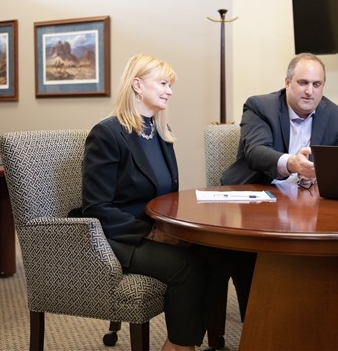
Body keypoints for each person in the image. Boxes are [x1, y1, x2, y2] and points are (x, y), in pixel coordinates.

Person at [80, 54, 232, 351]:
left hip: (156, 229)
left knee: (219, 255)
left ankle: (182, 342)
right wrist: (153, 234)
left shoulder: (159, 132)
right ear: (137, 85)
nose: (169, 91)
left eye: (169, 84)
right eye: (163, 83)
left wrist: (177, 229)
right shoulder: (107, 134)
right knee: (185, 266)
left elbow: (166, 196)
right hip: (121, 237)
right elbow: (96, 208)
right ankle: (179, 346)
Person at [221, 52, 338, 320]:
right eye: (303, 82)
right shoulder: (260, 106)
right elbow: (256, 152)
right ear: (287, 83)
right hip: (255, 197)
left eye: (317, 84)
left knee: (335, 247)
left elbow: (334, 167)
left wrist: (314, 176)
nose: (309, 91)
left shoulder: (336, 115)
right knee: (251, 252)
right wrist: (292, 163)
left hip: (307, 205)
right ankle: (257, 320)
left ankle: (316, 317)